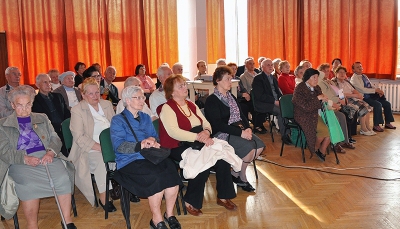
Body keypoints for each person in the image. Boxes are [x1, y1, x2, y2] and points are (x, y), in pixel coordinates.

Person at [158, 74, 238, 216]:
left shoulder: (190, 104)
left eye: (184, 84)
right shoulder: (167, 108)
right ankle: (191, 201)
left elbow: (206, 123)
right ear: (172, 92)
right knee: (203, 160)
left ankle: (224, 196)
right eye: (180, 86)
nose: (185, 87)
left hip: (197, 141)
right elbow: (174, 132)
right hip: (176, 145)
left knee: (221, 157)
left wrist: (206, 132)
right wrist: (199, 137)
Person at [0, 85, 76, 229]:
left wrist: (51, 152)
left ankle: (67, 221)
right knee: (29, 184)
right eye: (20, 105)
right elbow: (4, 152)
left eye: (28, 104)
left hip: (46, 156)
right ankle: (32, 225)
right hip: (19, 161)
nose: (25, 109)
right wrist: (25, 159)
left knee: (62, 177)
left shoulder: (42, 118)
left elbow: (55, 138)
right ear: (12, 105)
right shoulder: (2, 125)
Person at [111, 86, 182, 229]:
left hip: (149, 157)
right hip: (129, 160)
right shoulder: (118, 120)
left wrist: (153, 140)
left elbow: (154, 136)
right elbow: (119, 146)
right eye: (138, 97)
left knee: (171, 170)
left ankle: (170, 214)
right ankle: (156, 220)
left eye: (143, 97)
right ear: (127, 101)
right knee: (155, 176)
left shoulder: (145, 116)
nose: (143, 100)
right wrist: (140, 145)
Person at [204, 66, 265, 192]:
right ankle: (242, 177)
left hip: (239, 129)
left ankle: (236, 174)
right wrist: (241, 133)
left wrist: (248, 128)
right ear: (218, 80)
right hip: (223, 133)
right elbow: (218, 125)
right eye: (227, 79)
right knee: (250, 148)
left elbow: (241, 115)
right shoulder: (211, 100)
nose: (230, 82)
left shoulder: (231, 96)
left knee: (260, 146)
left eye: (231, 79)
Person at [69, 78, 116, 212]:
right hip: (89, 150)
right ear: (83, 95)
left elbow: (116, 127)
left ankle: (128, 188)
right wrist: (102, 148)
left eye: (97, 92)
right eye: (91, 93)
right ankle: (105, 195)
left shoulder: (106, 104)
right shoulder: (77, 110)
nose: (95, 96)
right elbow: (79, 137)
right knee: (102, 161)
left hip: (110, 145)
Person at [292, 68, 331, 161]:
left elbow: (320, 101)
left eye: (317, 77)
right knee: (324, 132)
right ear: (307, 78)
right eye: (314, 77)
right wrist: (318, 98)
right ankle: (316, 149)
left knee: (330, 132)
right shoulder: (300, 88)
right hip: (303, 116)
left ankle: (320, 150)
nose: (316, 80)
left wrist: (325, 100)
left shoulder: (317, 88)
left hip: (315, 114)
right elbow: (305, 107)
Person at [316, 66, 356, 153]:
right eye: (324, 71)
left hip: (335, 104)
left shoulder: (330, 81)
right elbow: (327, 96)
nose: (327, 73)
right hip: (328, 106)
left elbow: (339, 91)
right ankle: (335, 143)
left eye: (328, 71)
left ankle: (345, 141)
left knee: (344, 115)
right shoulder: (320, 82)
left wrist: (343, 98)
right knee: (341, 116)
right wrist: (338, 101)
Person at [252, 59, 291, 144]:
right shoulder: (258, 79)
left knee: (289, 108)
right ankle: (285, 136)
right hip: (263, 104)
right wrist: (274, 101)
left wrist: (282, 100)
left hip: (276, 101)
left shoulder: (273, 78)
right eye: (268, 65)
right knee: (282, 112)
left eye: (271, 65)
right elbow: (260, 96)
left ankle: (291, 132)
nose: (270, 66)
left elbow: (278, 92)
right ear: (262, 67)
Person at [32, 74, 71, 157]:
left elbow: (67, 113)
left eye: (49, 82)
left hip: (64, 129)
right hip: (50, 131)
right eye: (45, 82)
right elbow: (39, 121)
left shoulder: (58, 96)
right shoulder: (35, 101)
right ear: (38, 85)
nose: (48, 84)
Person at [350, 62, 396, 132]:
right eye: (357, 67)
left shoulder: (364, 76)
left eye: (360, 66)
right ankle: (376, 125)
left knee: (387, 104)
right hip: (364, 97)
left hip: (371, 95)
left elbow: (371, 85)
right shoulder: (354, 79)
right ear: (354, 70)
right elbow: (362, 89)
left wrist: (378, 90)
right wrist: (375, 90)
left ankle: (388, 123)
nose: (360, 68)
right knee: (378, 105)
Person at [333, 66, 374, 136]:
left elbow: (353, 90)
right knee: (362, 108)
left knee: (367, 106)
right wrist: (354, 96)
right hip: (345, 100)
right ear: (336, 73)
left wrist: (358, 95)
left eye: (344, 72)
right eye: (340, 72)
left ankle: (368, 127)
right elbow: (341, 94)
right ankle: (363, 129)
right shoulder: (334, 82)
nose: (342, 74)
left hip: (353, 98)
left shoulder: (346, 82)